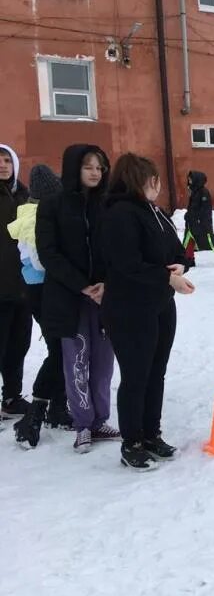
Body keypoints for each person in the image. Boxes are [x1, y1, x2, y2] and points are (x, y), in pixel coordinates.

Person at [100, 153, 194, 470]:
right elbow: (127, 263)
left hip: (160, 303)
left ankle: (151, 433)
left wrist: (180, 263)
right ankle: (133, 441)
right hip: (130, 307)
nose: (158, 185)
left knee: (157, 371)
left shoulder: (154, 211)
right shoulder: (121, 213)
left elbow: (174, 246)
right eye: (153, 179)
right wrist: (167, 278)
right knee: (137, 375)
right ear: (139, 180)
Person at [35, 144, 119, 453]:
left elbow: (117, 248)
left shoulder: (109, 205)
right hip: (70, 297)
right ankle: (82, 422)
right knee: (76, 361)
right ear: (74, 169)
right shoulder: (52, 205)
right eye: (89, 167)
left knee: (103, 362)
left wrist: (107, 284)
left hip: (105, 297)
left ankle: (100, 420)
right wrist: (83, 286)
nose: (96, 172)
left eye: (100, 167)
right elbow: (49, 254)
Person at [8, 164, 73, 446]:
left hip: (42, 291)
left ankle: (58, 408)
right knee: (59, 351)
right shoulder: (35, 218)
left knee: (58, 348)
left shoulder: (30, 213)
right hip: (43, 291)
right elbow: (39, 260)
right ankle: (33, 415)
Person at [0, 143, 32, 421]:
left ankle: (11, 397)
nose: (2, 165)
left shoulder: (25, 196)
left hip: (23, 286)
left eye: (7, 161)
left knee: (18, 344)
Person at [182, 171, 214, 267]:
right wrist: (189, 215)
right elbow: (192, 207)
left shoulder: (203, 192)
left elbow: (204, 210)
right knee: (188, 240)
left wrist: (196, 218)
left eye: (191, 178)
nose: (189, 180)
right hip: (192, 222)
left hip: (201, 223)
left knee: (209, 242)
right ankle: (189, 259)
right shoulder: (194, 191)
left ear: (196, 180)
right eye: (189, 178)